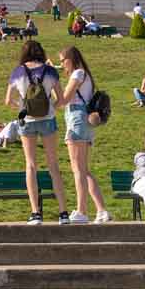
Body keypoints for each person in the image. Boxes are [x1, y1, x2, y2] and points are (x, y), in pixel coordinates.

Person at [4, 40, 68, 225]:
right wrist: (51, 108)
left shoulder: (18, 71)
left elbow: (8, 100)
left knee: (31, 165)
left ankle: (35, 213)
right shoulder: (50, 71)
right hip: (47, 120)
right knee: (53, 165)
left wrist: (22, 108)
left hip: (27, 122)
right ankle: (63, 213)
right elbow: (61, 99)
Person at [57, 46, 110, 224]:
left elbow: (64, 99)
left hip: (76, 118)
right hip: (83, 119)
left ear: (71, 59)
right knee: (84, 170)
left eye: (63, 60)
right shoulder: (85, 74)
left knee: (77, 169)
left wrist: (52, 86)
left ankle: (82, 211)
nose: (62, 64)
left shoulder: (77, 74)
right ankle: (101, 210)